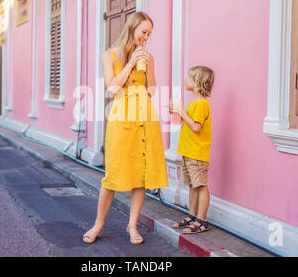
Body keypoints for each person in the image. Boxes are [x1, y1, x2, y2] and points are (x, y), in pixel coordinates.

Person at [83, 12, 168, 245]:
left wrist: (149, 69)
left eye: (149, 34)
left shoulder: (148, 56)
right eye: (143, 32)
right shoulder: (109, 55)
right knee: (112, 175)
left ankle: (132, 225)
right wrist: (130, 63)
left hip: (145, 117)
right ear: (132, 28)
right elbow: (112, 87)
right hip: (122, 117)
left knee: (140, 176)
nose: (146, 37)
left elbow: (152, 90)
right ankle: (98, 224)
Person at [169, 66, 215, 234]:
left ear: (197, 82)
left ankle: (202, 220)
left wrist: (181, 111)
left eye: (189, 78)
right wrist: (178, 113)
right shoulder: (192, 103)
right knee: (192, 186)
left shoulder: (202, 104)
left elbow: (196, 127)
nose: (185, 80)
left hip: (197, 153)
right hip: (188, 151)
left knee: (201, 185)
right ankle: (193, 216)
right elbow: (187, 123)